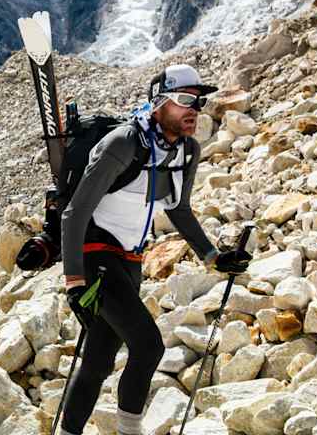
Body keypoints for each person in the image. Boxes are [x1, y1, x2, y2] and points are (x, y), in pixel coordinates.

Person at [57, 64, 251, 435]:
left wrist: (214, 257)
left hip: (131, 263)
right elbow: (75, 212)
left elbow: (178, 209)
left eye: (198, 101)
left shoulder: (186, 151)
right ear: (159, 102)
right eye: (183, 100)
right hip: (97, 256)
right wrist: (74, 281)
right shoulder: (124, 143)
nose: (193, 108)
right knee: (148, 347)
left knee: (98, 361)